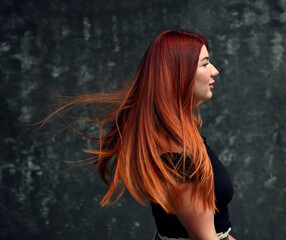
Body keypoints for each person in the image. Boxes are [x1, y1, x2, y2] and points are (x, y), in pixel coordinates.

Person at [41, 30, 235, 240]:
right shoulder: (178, 155)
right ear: (180, 73)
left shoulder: (181, 135)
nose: (214, 70)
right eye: (205, 64)